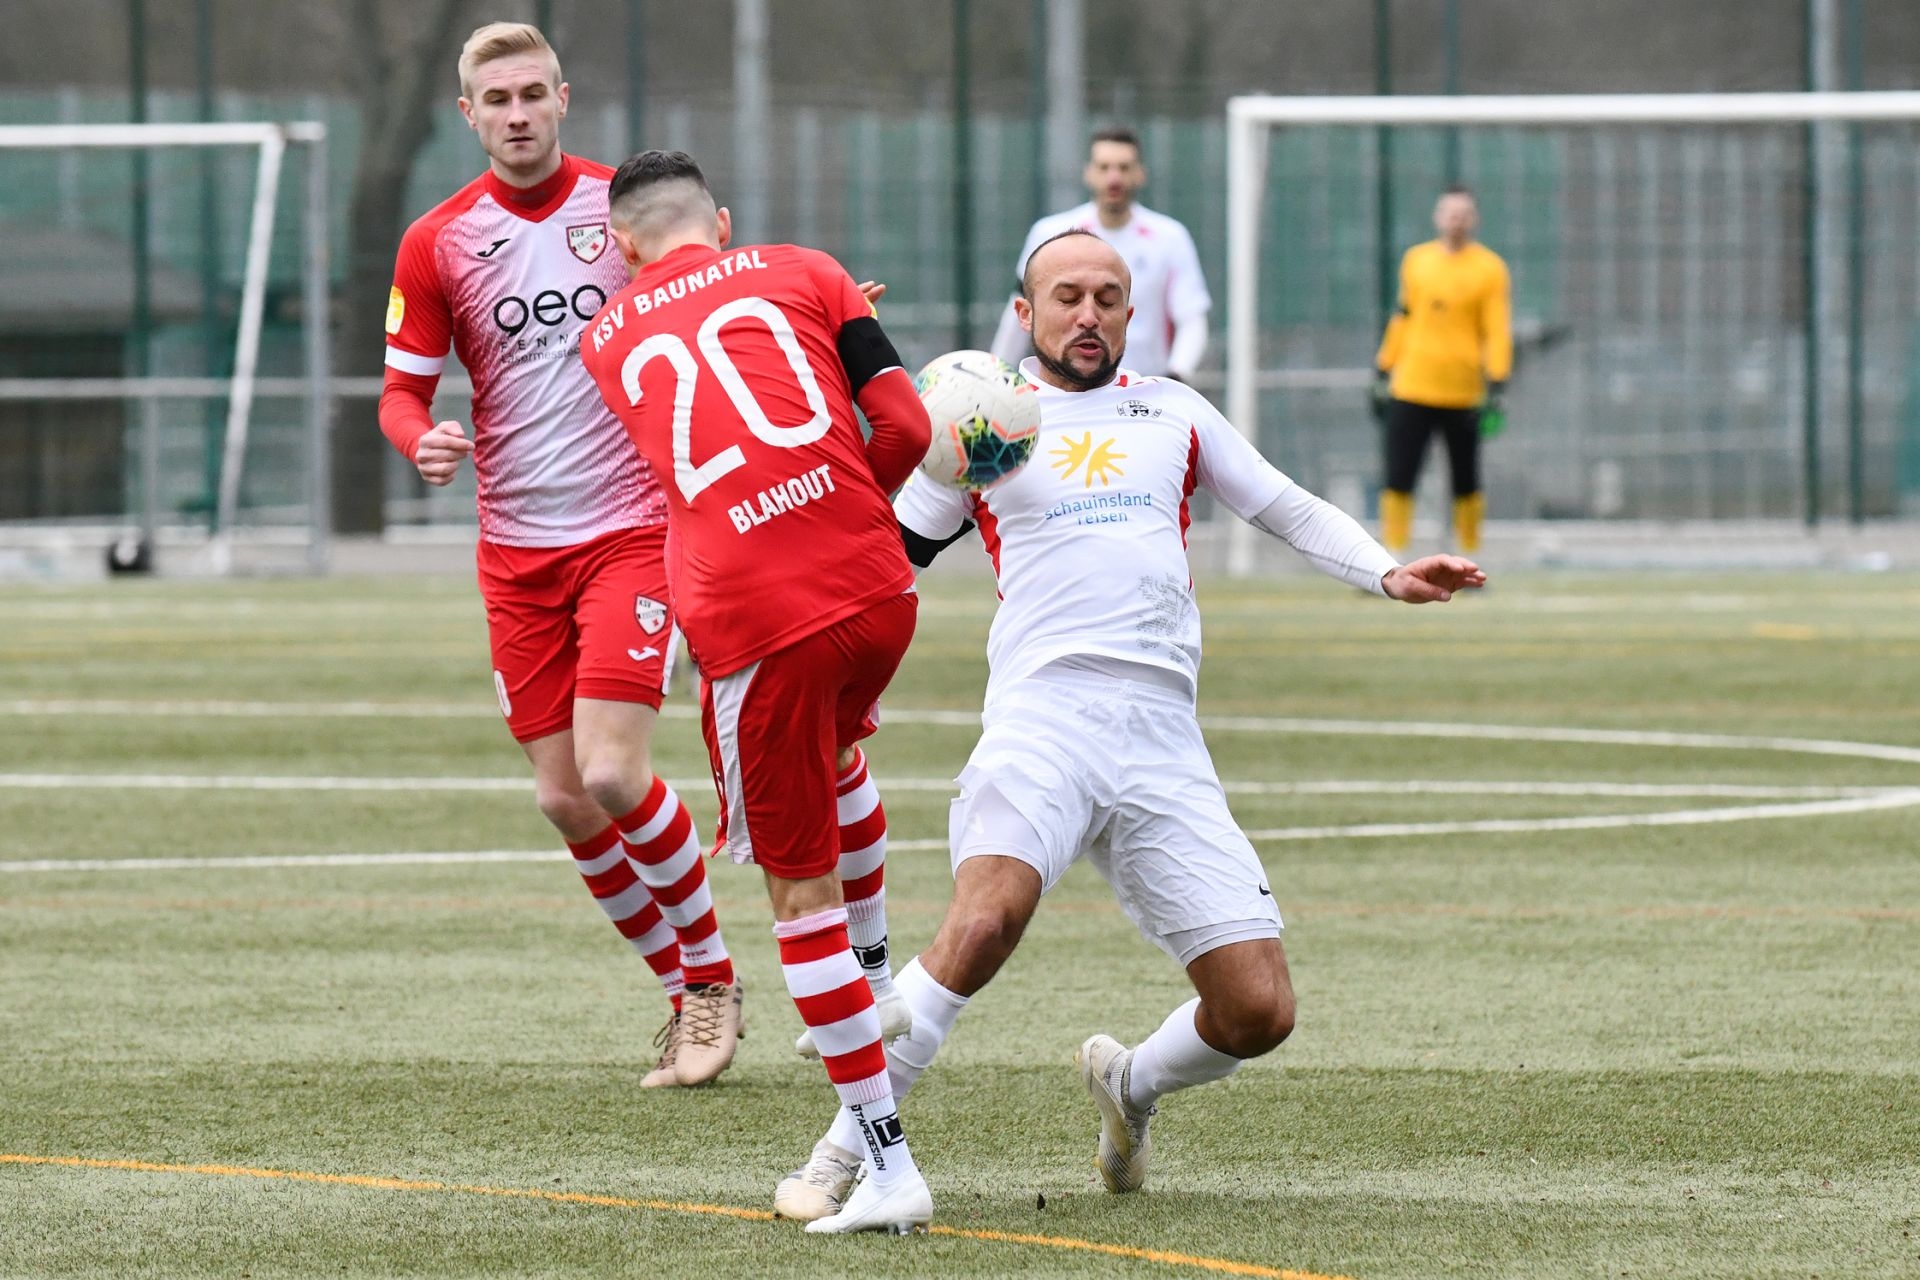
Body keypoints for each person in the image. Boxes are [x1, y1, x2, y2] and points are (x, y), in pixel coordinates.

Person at [780, 229, 1485, 1220]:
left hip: (1162, 732)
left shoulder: (1174, 410)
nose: (1090, 313)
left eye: (1109, 296)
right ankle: (846, 1148)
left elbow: (1284, 505)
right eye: (1066, 295)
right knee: (983, 920)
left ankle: (1133, 1084)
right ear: (1024, 314)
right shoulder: (978, 423)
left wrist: (1386, 569)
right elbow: (878, 551)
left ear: (1131, 311)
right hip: (1045, 713)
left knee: (1257, 1009)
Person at [579, 150, 936, 1235]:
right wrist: (844, 509)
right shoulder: (809, 268)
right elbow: (910, 430)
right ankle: (873, 980)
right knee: (838, 761)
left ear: (623, 247)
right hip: (877, 589)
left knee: (797, 898)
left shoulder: (605, 335)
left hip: (755, 618)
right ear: (722, 223)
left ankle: (885, 1161)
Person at [377, 22, 740, 1088]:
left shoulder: (621, 211)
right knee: (563, 797)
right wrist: (421, 438)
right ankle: (682, 992)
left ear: (564, 98)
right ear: (471, 115)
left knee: (614, 771)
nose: (519, 113)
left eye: (534, 92)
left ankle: (711, 982)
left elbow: (722, 295)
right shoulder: (437, 239)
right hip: (515, 548)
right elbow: (402, 390)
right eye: (499, 99)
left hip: (631, 529)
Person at [988, 127, 1210, 381]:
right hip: (1065, 389)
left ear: (1140, 174)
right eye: (1104, 167)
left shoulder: (1170, 237)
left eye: (1124, 168)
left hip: (1142, 395)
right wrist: (997, 376)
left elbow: (1192, 318)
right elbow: (1017, 315)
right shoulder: (1050, 233)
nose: (1114, 178)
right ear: (1089, 174)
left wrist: (1176, 375)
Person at [1371, 185, 1513, 555]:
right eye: (1450, 212)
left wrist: (1498, 380)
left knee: (1466, 481)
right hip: (1412, 386)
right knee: (1399, 475)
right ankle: (1392, 559)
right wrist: (1384, 367)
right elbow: (1403, 317)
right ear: (1437, 217)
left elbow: (1496, 329)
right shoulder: (1416, 261)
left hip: (1463, 390)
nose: (1456, 220)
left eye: (1463, 213)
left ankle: (1469, 562)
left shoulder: (1489, 269)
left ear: (1474, 219)